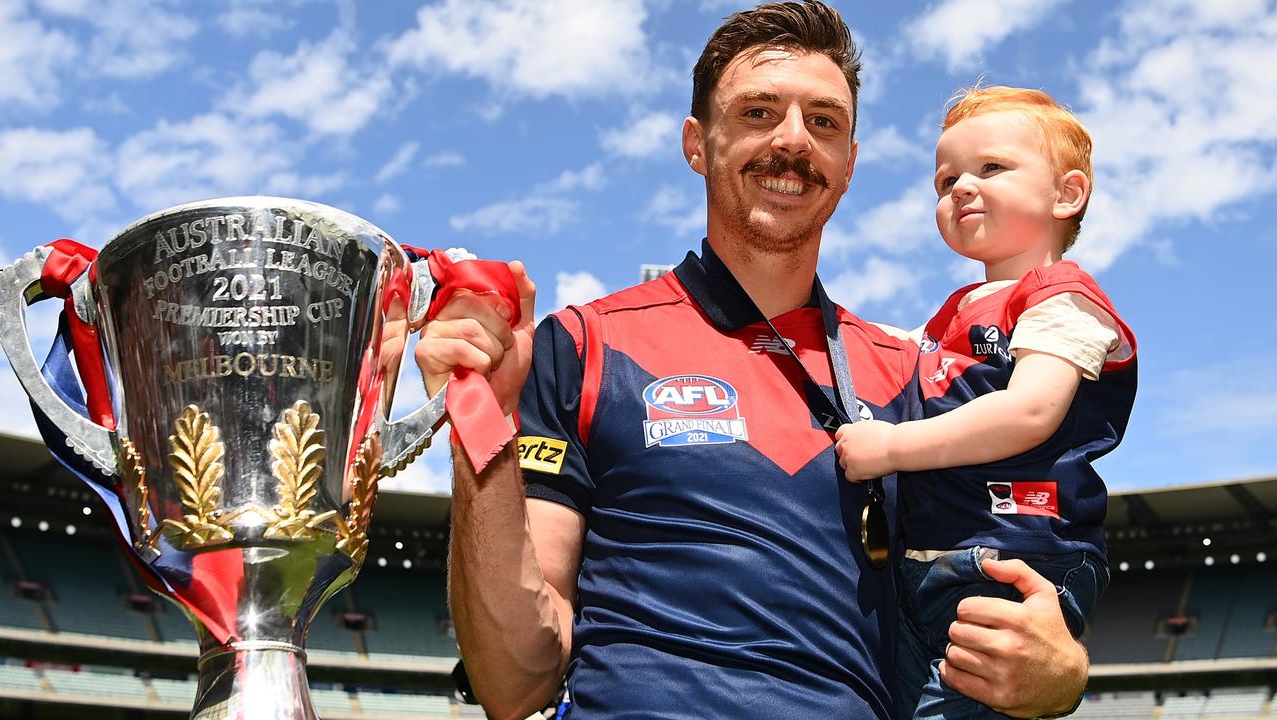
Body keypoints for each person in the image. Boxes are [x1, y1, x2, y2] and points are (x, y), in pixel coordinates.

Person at [419, 4, 1091, 718]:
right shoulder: (584, 345)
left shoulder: (917, 372)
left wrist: (1061, 671)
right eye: (759, 112)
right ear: (697, 144)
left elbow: (1021, 548)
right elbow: (513, 682)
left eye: (824, 121)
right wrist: (480, 431)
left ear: (849, 162)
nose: (793, 140)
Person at [834, 86, 1136, 718]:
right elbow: (877, 351)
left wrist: (889, 448)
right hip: (928, 559)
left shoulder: (1062, 299)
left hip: (1014, 554)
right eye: (945, 180)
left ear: (1067, 194)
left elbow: (1029, 412)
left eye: (991, 168)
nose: (961, 188)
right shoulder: (954, 312)